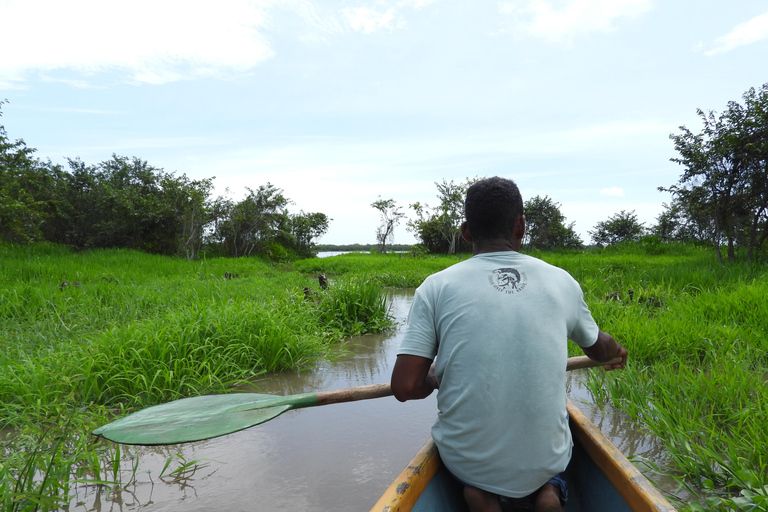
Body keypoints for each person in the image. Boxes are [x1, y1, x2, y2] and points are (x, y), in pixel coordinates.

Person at [391, 176, 627, 512]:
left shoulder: (436, 287)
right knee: (552, 464)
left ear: (466, 231)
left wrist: (431, 377)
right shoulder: (560, 280)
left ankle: (482, 495)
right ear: (521, 227)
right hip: (547, 457)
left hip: (469, 462)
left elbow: (404, 386)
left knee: (473, 473)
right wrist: (615, 351)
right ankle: (548, 491)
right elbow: (599, 348)